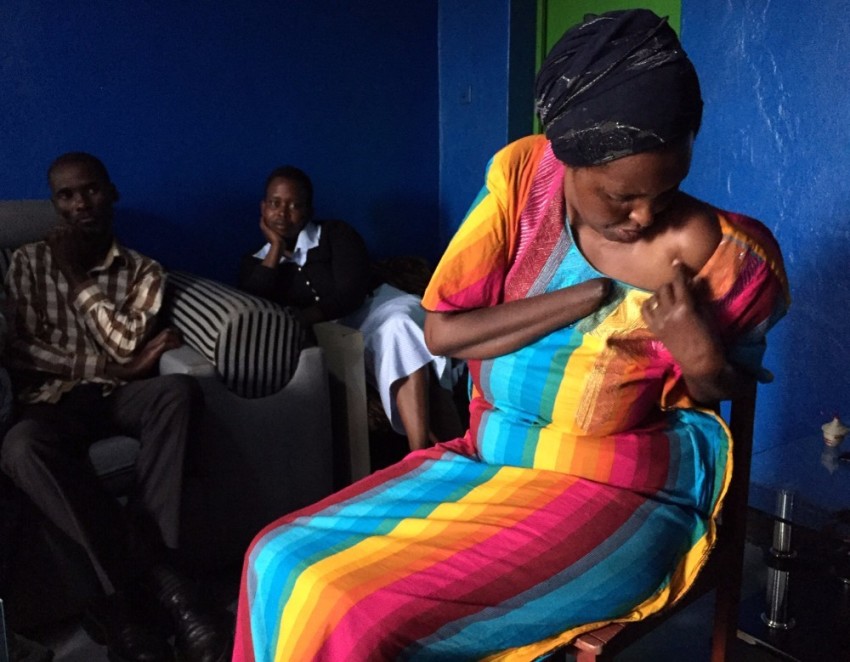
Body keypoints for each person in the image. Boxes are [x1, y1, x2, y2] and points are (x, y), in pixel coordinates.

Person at [231, 10, 789, 661]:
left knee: (361, 615)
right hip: (487, 456)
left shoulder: (736, 257)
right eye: (618, 197)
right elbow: (443, 333)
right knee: (273, 558)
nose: (643, 216)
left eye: (664, 191)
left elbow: (727, 388)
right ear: (565, 157)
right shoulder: (527, 181)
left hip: (621, 497)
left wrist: (701, 357)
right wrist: (589, 294)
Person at [0, 153, 231, 662]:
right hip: (49, 402)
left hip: (116, 397)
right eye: (66, 194)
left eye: (90, 190)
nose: (80, 203)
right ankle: (155, 587)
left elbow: (127, 345)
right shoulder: (26, 262)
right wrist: (117, 366)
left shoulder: (144, 271)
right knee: (20, 448)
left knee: (176, 392)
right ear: (55, 204)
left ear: (112, 192)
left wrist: (78, 282)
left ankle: (150, 583)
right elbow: (17, 349)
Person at [239, 166, 462, 451]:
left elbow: (351, 292)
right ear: (263, 207)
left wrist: (304, 316)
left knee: (398, 327)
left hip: (378, 307)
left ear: (308, 210)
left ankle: (417, 450)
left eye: (295, 205)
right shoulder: (255, 261)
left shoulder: (336, 234)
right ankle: (437, 449)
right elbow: (254, 302)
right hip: (340, 333)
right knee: (393, 343)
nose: (283, 213)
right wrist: (274, 249)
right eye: (275, 203)